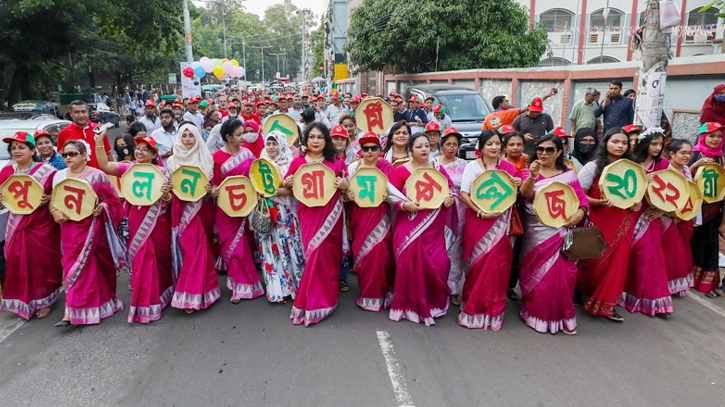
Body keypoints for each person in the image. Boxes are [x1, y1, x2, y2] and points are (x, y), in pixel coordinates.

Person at [94, 131, 175, 323]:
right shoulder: (128, 169)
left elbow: (170, 201)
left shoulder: (163, 173)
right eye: (138, 148)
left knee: (159, 260)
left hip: (157, 222)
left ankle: (162, 296)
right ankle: (144, 305)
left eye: (145, 150)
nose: (139, 152)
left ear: (154, 155)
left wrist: (166, 195)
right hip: (135, 218)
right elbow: (104, 165)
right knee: (141, 260)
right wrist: (99, 141)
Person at [50, 140, 127, 326]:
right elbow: (54, 200)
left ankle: (100, 305)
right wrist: (55, 212)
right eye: (65, 154)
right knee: (72, 267)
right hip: (69, 230)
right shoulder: (59, 176)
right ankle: (71, 311)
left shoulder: (97, 176)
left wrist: (103, 207)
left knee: (97, 267)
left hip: (94, 229)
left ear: (84, 155)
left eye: (73, 153)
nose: (68, 157)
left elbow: (114, 200)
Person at [280, 123, 349, 326]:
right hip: (308, 213)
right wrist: (286, 184)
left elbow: (347, 189)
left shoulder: (336, 161)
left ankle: (326, 299)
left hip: (331, 214)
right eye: (312, 137)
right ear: (306, 140)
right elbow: (287, 187)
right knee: (313, 255)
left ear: (326, 139)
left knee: (327, 257)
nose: (316, 141)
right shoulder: (297, 162)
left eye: (320, 137)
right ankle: (309, 300)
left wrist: (344, 186)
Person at [518, 135, 589, 334]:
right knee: (538, 277)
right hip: (536, 232)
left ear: (559, 152)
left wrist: (576, 217)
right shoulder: (530, 170)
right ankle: (536, 315)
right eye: (540, 149)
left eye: (550, 150)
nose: (544, 153)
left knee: (565, 276)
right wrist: (532, 176)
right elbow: (524, 195)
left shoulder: (568, 175)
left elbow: (582, 202)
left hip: (562, 231)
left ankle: (562, 317)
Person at [387, 133, 456, 326]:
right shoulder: (401, 171)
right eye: (419, 146)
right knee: (409, 265)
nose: (424, 149)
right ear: (410, 150)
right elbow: (390, 195)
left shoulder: (437, 168)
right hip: (409, 223)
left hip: (433, 227)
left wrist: (449, 200)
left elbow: (449, 191)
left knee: (439, 263)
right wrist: (404, 205)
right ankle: (409, 305)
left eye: (427, 146)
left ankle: (433, 303)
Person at [458, 130, 521, 329]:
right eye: (490, 144)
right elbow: (464, 194)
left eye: (497, 144)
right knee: (478, 265)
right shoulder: (472, 167)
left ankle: (493, 310)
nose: (494, 147)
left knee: (498, 266)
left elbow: (515, 194)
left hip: (501, 222)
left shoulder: (509, 168)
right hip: (478, 220)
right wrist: (481, 212)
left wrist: (519, 183)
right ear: (481, 147)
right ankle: (473, 308)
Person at [576, 128, 639, 322]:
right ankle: (581, 291)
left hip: (622, 221)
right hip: (598, 219)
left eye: (624, 143)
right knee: (593, 260)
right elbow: (578, 195)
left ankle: (607, 303)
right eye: (616, 141)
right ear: (605, 143)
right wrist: (597, 202)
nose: (620, 146)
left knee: (618, 261)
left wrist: (636, 203)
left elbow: (637, 194)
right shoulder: (593, 167)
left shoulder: (633, 169)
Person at [0, 132, 62, 320]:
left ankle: (45, 300)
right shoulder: (7, 172)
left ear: (32, 150)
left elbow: (60, 194)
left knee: (42, 262)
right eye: (13, 148)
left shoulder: (47, 171)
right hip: (16, 224)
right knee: (17, 261)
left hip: (41, 225)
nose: (16, 151)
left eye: (21, 147)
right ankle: (24, 299)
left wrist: (49, 197)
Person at [166, 123, 220, 313]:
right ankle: (189, 294)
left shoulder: (206, 159)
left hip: (203, 208)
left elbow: (215, 189)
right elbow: (168, 191)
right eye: (184, 136)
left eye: (191, 135)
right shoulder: (172, 162)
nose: (188, 139)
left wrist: (211, 190)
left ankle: (206, 290)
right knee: (194, 250)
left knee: (202, 249)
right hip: (183, 211)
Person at [212, 119, 264, 303]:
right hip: (225, 209)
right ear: (228, 137)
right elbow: (214, 184)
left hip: (246, 206)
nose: (244, 137)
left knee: (243, 246)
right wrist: (213, 191)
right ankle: (237, 285)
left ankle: (242, 285)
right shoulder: (217, 158)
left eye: (244, 133)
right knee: (233, 248)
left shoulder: (248, 153)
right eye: (239, 134)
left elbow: (255, 177)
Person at [622, 127, 673, 317]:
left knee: (649, 256)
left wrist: (661, 210)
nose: (658, 147)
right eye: (654, 143)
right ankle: (623, 293)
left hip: (651, 215)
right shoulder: (631, 163)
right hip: (632, 211)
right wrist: (643, 179)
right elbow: (624, 188)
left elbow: (673, 191)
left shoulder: (665, 165)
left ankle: (650, 299)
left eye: (660, 144)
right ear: (645, 144)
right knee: (628, 253)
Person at [346, 132, 395, 311]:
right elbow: (344, 194)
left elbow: (395, 193)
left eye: (373, 148)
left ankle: (383, 293)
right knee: (363, 255)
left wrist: (388, 197)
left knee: (381, 255)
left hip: (381, 216)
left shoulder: (387, 167)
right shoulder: (352, 168)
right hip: (359, 216)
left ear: (380, 149)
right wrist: (347, 195)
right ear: (361, 150)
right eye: (365, 148)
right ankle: (368, 294)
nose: (369, 151)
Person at [258, 131, 306, 303]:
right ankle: (278, 290)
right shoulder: (261, 162)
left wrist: (274, 191)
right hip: (267, 211)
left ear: (282, 144)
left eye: (274, 144)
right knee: (272, 249)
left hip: (285, 213)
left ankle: (295, 286)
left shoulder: (289, 163)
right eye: (268, 144)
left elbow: (293, 190)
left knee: (288, 247)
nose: (271, 147)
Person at [688, 122, 725, 297]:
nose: (715, 140)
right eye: (711, 136)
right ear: (702, 137)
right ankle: (683, 277)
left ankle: (703, 282)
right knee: (690, 242)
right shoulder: (693, 154)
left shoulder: (722, 158)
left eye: (719, 136)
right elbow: (680, 177)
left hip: (714, 209)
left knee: (709, 245)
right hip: (693, 208)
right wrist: (695, 166)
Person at [434, 128, 468, 306]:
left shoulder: (465, 165)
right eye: (448, 144)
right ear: (441, 145)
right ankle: (437, 284)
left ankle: (453, 286)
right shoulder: (432, 164)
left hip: (459, 209)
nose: (451, 148)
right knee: (439, 246)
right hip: (438, 209)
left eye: (455, 144)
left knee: (455, 247)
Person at [663, 139, 695, 296]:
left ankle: (675, 285)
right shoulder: (665, 170)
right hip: (666, 217)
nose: (687, 156)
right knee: (669, 252)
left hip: (683, 217)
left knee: (681, 253)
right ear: (672, 153)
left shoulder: (687, 170)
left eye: (690, 153)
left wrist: (683, 215)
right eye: (683, 153)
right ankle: (663, 285)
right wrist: (672, 215)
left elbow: (692, 194)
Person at [57, 100, 113, 169]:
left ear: (88, 112)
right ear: (71, 114)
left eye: (83, 112)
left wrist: (113, 174)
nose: (81, 115)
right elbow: (62, 158)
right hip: (77, 177)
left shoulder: (99, 129)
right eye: (76, 112)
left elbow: (108, 152)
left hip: (101, 175)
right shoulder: (63, 133)